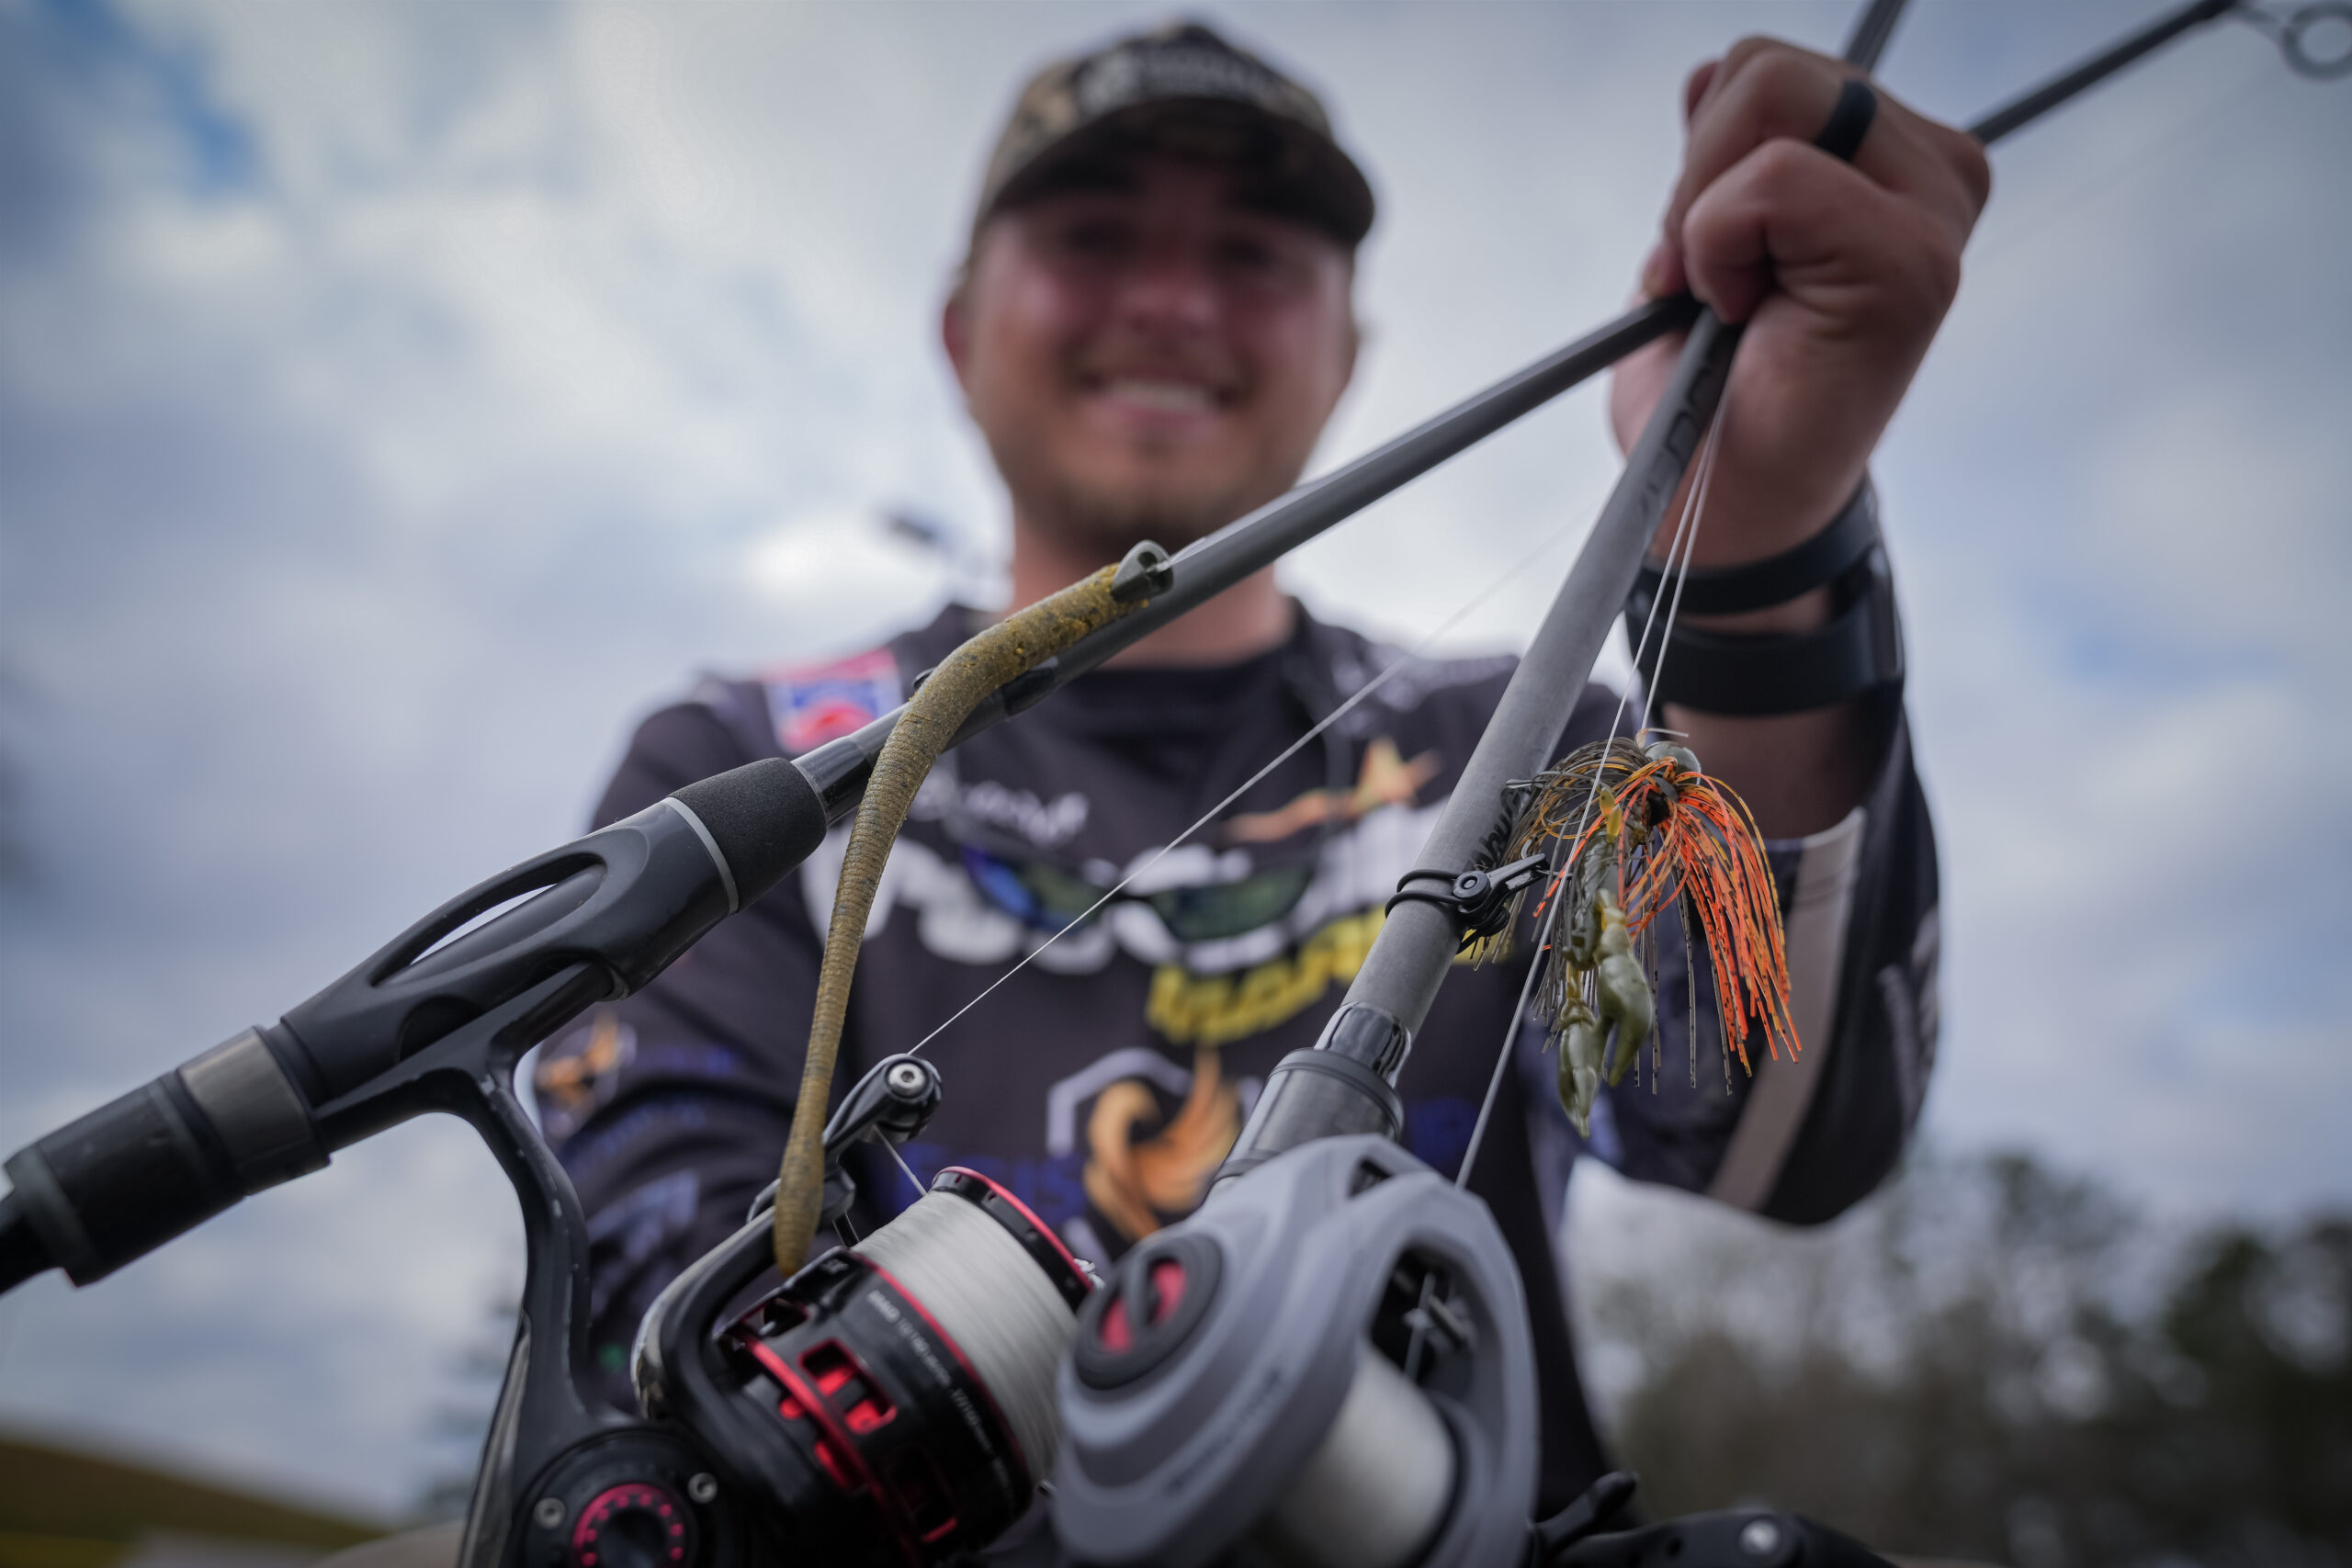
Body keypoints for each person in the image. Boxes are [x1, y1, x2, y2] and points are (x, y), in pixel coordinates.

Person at [534, 20, 1984, 1517]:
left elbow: (1777, 1146)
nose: (1172, 303)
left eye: (1253, 256)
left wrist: (1760, 540)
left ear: (1346, 353)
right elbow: (664, 1338)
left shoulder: (1534, 744)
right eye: (1095, 237)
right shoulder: (742, 769)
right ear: (960, 333)